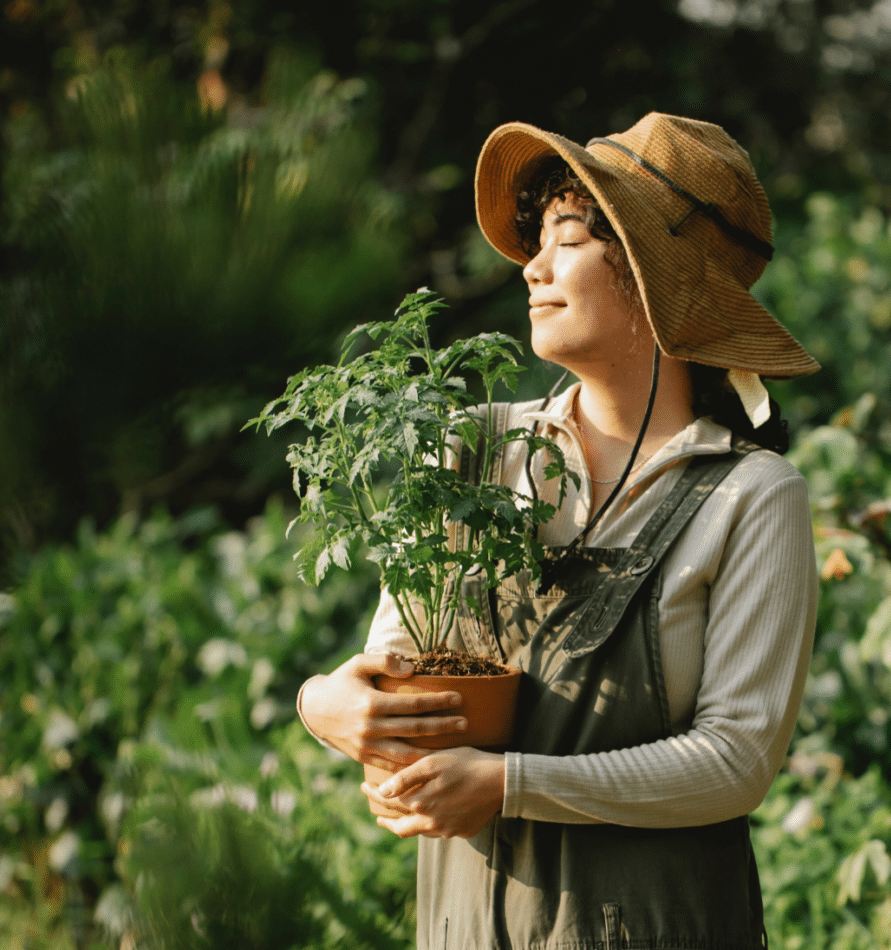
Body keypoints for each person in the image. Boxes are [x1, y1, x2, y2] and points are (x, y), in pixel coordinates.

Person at [298, 112, 819, 950]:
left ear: (654, 283)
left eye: (566, 239)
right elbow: (390, 656)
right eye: (538, 239)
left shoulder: (750, 495)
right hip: (463, 925)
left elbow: (737, 761)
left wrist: (510, 786)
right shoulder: (467, 447)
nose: (532, 268)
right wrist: (323, 704)